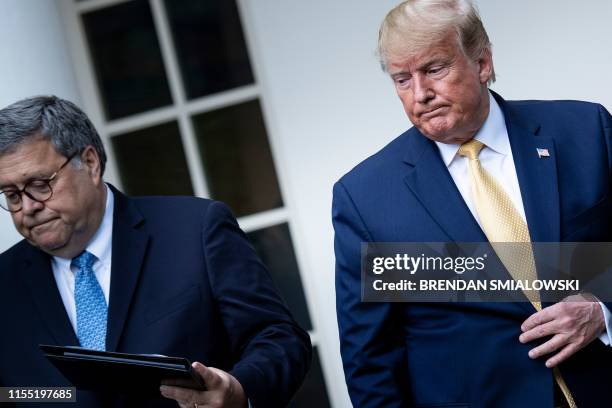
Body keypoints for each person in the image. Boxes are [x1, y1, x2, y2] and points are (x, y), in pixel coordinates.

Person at [332, 1, 612, 407]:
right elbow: (371, 363)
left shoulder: (586, 132)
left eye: (433, 69)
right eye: (402, 79)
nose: (421, 94)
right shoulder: (366, 199)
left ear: (482, 62)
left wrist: (603, 311)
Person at [0, 96, 312, 407]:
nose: (28, 208)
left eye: (40, 184)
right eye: (12, 195)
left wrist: (239, 388)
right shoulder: (5, 283)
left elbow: (279, 338)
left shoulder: (195, 230)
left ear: (91, 164)